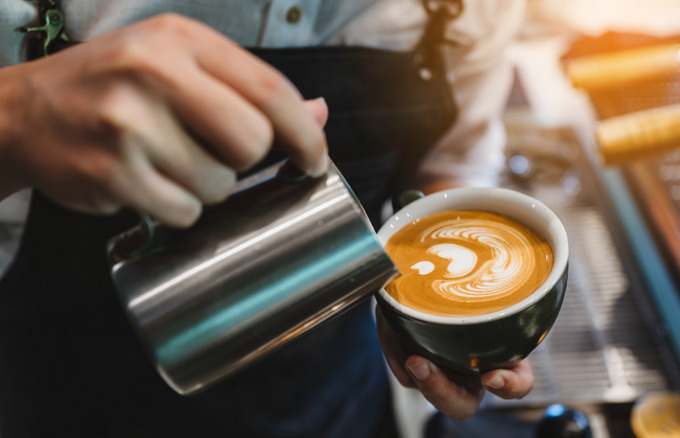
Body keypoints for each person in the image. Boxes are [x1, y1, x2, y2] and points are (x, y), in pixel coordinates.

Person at [0, 1, 534, 436]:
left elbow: (449, 164)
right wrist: (17, 118)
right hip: (63, 401)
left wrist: (442, 315)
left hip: (335, 405)